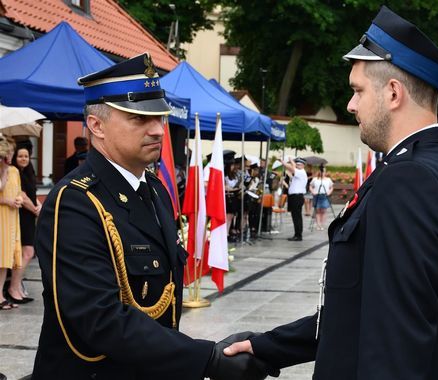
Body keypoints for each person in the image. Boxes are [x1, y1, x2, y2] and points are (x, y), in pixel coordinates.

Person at [223, 6, 438, 380]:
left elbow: (394, 347)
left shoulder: (408, 181)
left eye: (357, 91)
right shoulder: (425, 166)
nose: (350, 105)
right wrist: (267, 346)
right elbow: (357, 311)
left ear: (392, 93)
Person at [31, 53, 275, 380]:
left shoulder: (156, 190)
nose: (158, 130)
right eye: (138, 119)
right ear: (96, 125)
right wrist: (208, 359)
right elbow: (100, 320)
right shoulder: (75, 202)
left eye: (159, 117)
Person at [8, 140, 41, 304]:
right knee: (26, 252)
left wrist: (38, 206)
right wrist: (35, 209)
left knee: (24, 253)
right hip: (21, 215)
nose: (23, 158)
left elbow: (32, 195)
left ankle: (17, 287)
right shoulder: (15, 173)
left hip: (28, 216)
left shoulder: (28, 171)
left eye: (26, 156)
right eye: (20, 156)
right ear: (15, 157)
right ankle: (13, 288)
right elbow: (23, 195)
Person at [0, 135, 23, 311]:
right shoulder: (2, 170)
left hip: (12, 218)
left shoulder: (14, 170)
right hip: (1, 216)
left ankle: (0, 294)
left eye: (11, 152)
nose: (10, 155)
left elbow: (19, 191)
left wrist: (18, 200)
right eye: (8, 152)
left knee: (7, 258)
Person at [284, 157, 307, 241]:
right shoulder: (298, 173)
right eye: (297, 164)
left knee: (297, 216)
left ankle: (298, 235)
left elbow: (291, 168)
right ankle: (297, 234)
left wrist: (284, 162)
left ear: (303, 165)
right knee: (295, 216)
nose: (297, 166)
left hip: (297, 197)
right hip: (294, 197)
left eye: (299, 164)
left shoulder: (301, 172)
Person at [310, 164, 334, 230]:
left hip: (325, 196)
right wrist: (313, 191)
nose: (322, 173)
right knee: (317, 211)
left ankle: (322, 224)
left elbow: (331, 187)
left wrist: (329, 192)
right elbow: (311, 186)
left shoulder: (328, 180)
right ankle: (318, 224)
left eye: (323, 171)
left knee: (323, 211)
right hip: (317, 195)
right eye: (321, 171)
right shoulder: (315, 179)